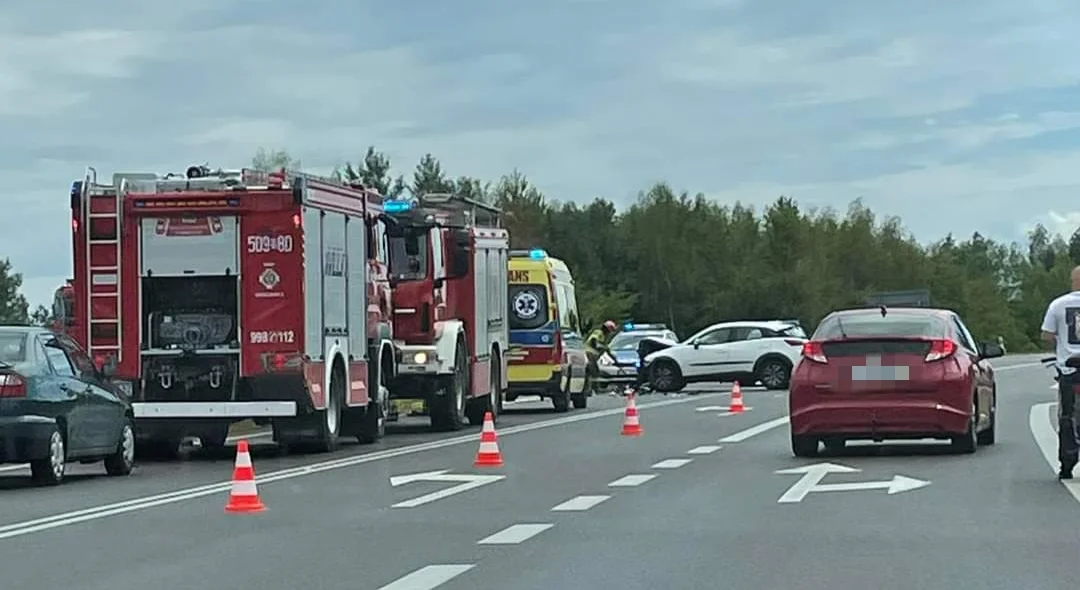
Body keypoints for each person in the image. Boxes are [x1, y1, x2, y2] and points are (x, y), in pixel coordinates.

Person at [1041, 265, 1080, 479]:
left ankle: (1067, 462)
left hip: (1069, 368)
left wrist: (1059, 343)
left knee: (1066, 414)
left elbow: (1046, 335)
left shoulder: (1059, 304)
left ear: (1073, 281)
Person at [585, 320, 618, 394]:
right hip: (590, 354)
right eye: (610, 330)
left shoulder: (604, 338)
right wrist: (599, 346)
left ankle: (591, 389)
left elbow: (607, 351)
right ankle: (592, 389)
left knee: (593, 372)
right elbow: (594, 340)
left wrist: (615, 361)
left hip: (593, 356)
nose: (610, 333)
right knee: (593, 372)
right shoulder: (599, 332)